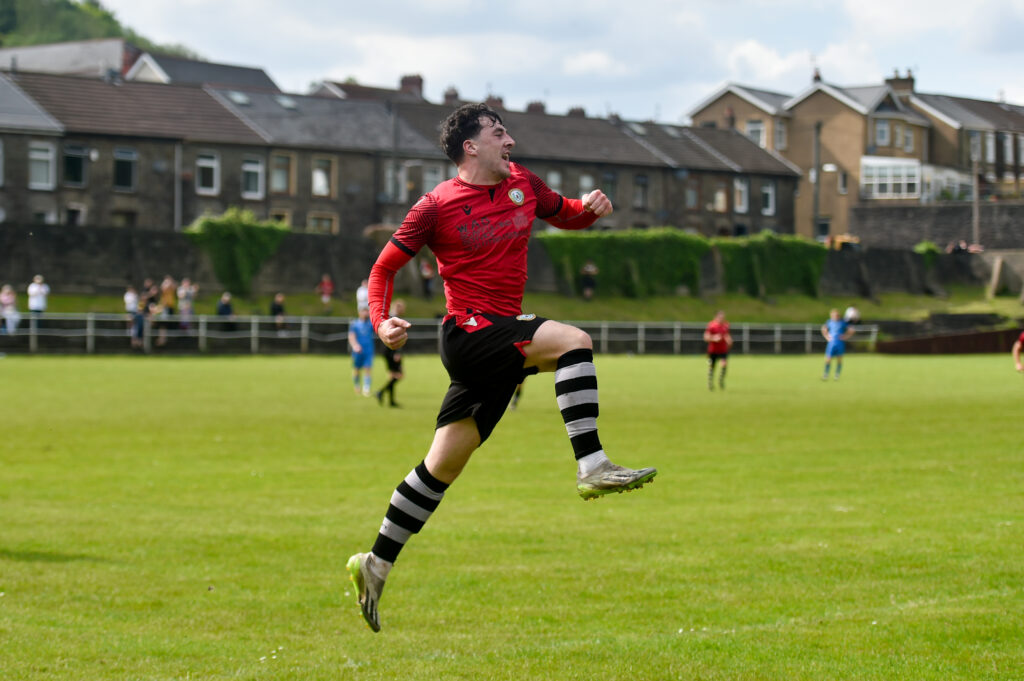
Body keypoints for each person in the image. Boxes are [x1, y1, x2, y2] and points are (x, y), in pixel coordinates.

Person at [346, 103, 657, 633]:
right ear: (471, 145)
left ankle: (374, 563)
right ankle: (592, 465)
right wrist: (380, 323)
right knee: (574, 341)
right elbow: (383, 268)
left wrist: (592, 208)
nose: (509, 140)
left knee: (438, 471)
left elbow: (567, 213)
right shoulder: (435, 205)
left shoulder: (523, 183)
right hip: (468, 332)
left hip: (498, 336)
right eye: (498, 132)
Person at [375, 300, 406, 407]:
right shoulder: (395, 319)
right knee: (399, 375)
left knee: (392, 376)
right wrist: (397, 352)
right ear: (398, 308)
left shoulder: (389, 317)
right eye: (402, 307)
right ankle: (381, 392)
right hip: (391, 351)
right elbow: (393, 336)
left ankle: (391, 401)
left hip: (386, 351)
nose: (403, 310)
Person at [348, 306, 375, 397]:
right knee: (356, 369)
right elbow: (351, 336)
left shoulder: (370, 324)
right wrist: (355, 346)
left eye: (367, 312)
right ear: (359, 312)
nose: (365, 313)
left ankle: (366, 388)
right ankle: (357, 386)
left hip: (368, 350)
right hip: (358, 351)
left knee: (368, 369)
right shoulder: (355, 324)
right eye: (363, 311)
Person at [821, 308, 855, 380]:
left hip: (840, 343)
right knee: (828, 359)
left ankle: (837, 374)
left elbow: (851, 330)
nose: (835, 316)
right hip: (831, 343)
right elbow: (823, 329)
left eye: (836, 315)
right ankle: (826, 374)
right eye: (833, 315)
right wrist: (827, 337)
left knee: (839, 359)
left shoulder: (842, 322)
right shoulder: (829, 322)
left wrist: (846, 336)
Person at [703, 310, 733, 391]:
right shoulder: (711, 325)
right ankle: (710, 383)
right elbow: (706, 337)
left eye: (723, 317)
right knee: (712, 367)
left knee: (724, 365)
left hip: (723, 349)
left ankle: (721, 380)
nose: (722, 318)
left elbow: (726, 334)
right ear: (716, 317)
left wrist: (729, 340)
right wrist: (714, 338)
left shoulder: (726, 325)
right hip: (713, 350)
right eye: (720, 317)